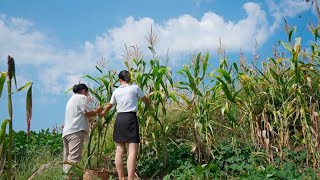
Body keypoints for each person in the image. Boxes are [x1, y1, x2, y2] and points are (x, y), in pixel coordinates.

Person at [100, 70, 150, 180]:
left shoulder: (116, 91)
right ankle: (130, 178)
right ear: (130, 78)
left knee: (119, 150)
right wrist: (149, 102)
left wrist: (103, 113)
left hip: (120, 119)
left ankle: (121, 177)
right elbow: (146, 100)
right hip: (130, 118)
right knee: (132, 151)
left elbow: (109, 105)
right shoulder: (135, 88)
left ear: (120, 79)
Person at [62, 83, 102, 174]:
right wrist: (97, 111)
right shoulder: (81, 98)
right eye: (87, 93)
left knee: (66, 160)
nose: (88, 96)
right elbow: (88, 113)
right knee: (73, 159)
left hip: (67, 133)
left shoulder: (71, 100)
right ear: (84, 91)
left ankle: (65, 176)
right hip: (76, 131)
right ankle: (69, 177)